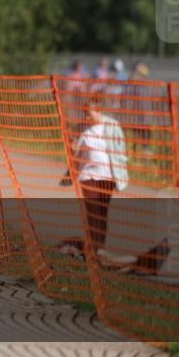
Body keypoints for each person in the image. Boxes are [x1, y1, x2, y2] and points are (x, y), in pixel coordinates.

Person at [66, 95, 129, 251]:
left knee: (102, 212)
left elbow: (121, 150)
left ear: (99, 111)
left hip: (108, 177)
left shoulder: (113, 126)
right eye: (84, 112)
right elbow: (73, 150)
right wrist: (72, 147)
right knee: (93, 211)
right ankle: (92, 247)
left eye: (89, 112)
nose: (86, 116)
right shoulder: (81, 127)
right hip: (88, 175)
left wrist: (120, 172)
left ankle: (99, 248)